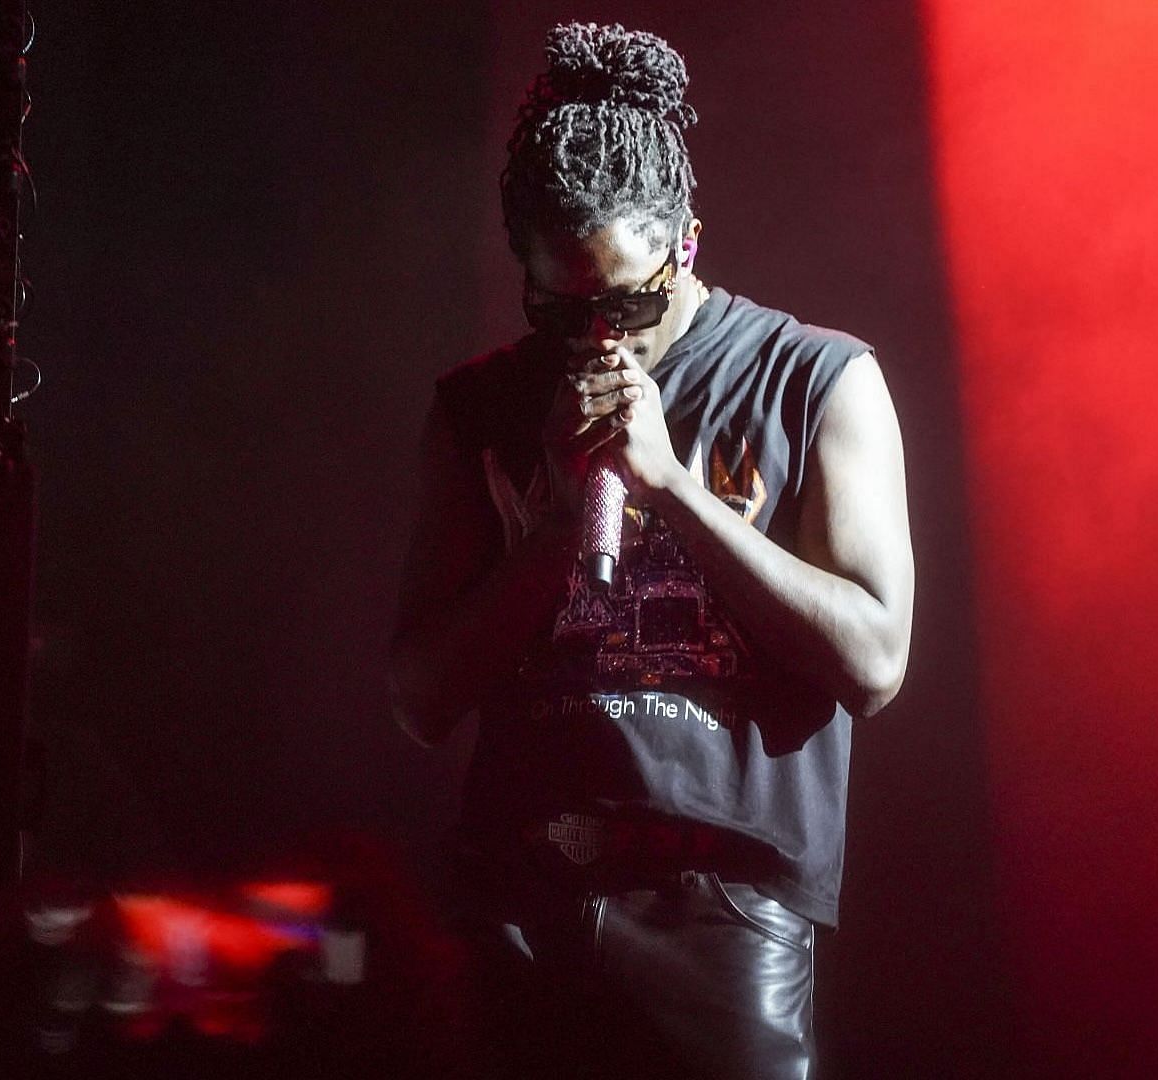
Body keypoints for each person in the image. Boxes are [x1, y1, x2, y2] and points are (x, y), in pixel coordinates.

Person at [387, 22, 913, 1080]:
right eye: (558, 304)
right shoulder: (481, 406)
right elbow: (420, 697)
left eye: (625, 300)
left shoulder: (814, 380)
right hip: (517, 904)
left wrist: (672, 489)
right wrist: (549, 536)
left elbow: (875, 661)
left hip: (716, 917)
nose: (596, 334)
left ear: (686, 242)